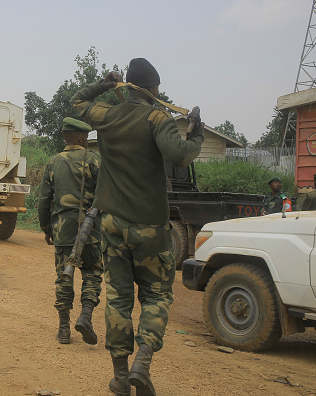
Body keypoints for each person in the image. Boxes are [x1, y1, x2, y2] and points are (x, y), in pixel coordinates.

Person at [71, 58, 204, 396]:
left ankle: (119, 377)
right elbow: (180, 155)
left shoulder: (109, 116)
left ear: (127, 87)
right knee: (157, 295)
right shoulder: (157, 117)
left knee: (118, 298)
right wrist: (197, 132)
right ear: (153, 90)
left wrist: (102, 85)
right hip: (150, 227)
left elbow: (76, 102)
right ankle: (141, 364)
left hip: (112, 224)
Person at [38, 117, 103, 346]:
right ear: (81, 137)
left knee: (64, 277)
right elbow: (107, 195)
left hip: (63, 230)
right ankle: (85, 316)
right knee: (92, 273)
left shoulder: (53, 162)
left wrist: (46, 227)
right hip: (91, 230)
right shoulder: (94, 161)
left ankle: (64, 328)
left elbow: (44, 199)